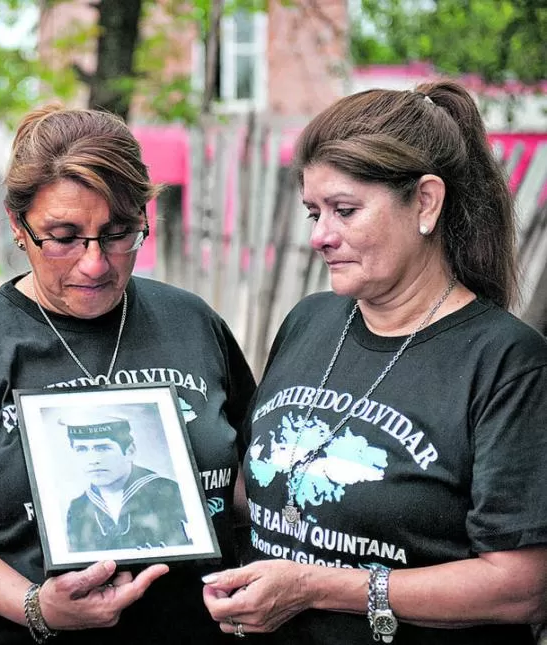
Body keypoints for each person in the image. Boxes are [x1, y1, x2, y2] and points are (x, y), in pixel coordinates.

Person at [0, 104, 257, 644]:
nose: (95, 263)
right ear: (18, 225)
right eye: (63, 237)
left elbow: (251, 473)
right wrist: (34, 606)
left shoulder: (192, 322)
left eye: (118, 233)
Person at [202, 80, 547, 643]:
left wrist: (318, 587)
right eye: (313, 212)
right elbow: (255, 486)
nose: (320, 236)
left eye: (344, 210)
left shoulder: (506, 363)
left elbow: (523, 584)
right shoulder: (310, 322)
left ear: (426, 202)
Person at [64, 415, 192, 552]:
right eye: (81, 449)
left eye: (103, 448)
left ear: (130, 451)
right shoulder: (78, 507)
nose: (93, 460)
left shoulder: (169, 492)